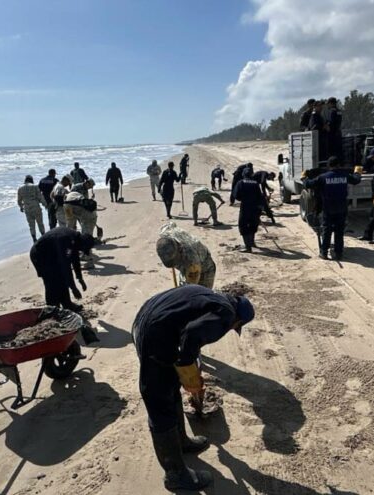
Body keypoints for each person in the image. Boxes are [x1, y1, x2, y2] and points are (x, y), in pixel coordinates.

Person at [131, 285, 254, 491]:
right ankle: (176, 475)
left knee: (170, 386)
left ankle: (181, 441)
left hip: (146, 322)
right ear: (238, 320)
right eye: (236, 326)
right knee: (159, 400)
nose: (232, 328)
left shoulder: (211, 296)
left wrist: (182, 365)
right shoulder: (226, 314)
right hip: (156, 336)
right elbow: (192, 333)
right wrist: (188, 366)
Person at [303, 156, 362, 260]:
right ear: (339, 165)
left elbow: (308, 184)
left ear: (329, 166)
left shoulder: (323, 177)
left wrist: (304, 177)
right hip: (342, 208)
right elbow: (356, 180)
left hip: (328, 208)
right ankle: (339, 253)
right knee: (339, 231)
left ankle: (324, 253)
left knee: (327, 230)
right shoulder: (345, 176)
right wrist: (357, 172)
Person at [30, 227, 94, 313]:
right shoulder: (66, 240)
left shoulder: (74, 240)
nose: (81, 251)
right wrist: (73, 288)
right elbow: (66, 267)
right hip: (39, 255)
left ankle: (67, 304)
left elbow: (75, 260)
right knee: (51, 281)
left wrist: (80, 278)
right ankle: (52, 308)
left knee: (61, 278)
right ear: (82, 244)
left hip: (51, 255)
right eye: (82, 249)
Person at [157, 222, 217, 288]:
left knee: (201, 294)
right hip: (186, 263)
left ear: (179, 250)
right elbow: (171, 224)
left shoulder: (192, 261)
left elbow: (190, 288)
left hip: (205, 268)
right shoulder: (166, 233)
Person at [235, 169, 270, 252]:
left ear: (243, 174)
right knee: (253, 224)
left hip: (245, 207)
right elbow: (260, 196)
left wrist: (244, 198)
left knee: (243, 225)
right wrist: (263, 208)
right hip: (255, 208)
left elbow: (236, 196)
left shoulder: (241, 182)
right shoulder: (255, 183)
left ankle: (248, 247)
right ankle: (252, 242)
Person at [17, 175, 48, 242]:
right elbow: (40, 197)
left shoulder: (20, 188)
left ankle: (34, 238)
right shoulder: (34, 186)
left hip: (27, 208)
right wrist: (45, 205)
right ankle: (43, 236)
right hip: (35, 206)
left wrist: (21, 207)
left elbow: (19, 200)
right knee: (40, 223)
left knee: (31, 225)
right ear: (31, 180)